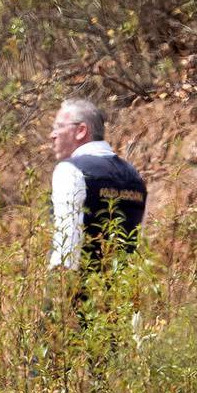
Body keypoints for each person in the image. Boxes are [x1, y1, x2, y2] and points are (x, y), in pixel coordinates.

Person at [47, 97, 147, 274]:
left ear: (81, 131)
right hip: (123, 294)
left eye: (59, 127)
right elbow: (139, 245)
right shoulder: (134, 176)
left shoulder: (70, 171)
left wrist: (56, 293)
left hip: (79, 293)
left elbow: (67, 246)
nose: (52, 135)